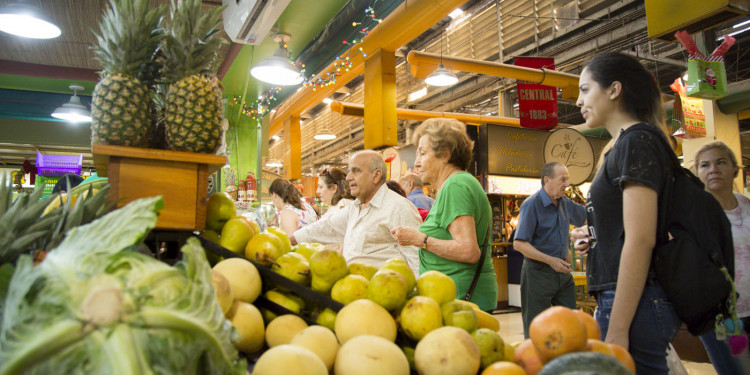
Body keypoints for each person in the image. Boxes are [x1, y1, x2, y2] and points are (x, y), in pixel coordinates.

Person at [569, 52, 682, 374]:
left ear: (614, 90)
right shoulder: (622, 145)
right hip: (627, 296)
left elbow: (641, 238)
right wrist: (597, 238)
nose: (578, 101)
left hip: (637, 299)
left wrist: (618, 329)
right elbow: (629, 228)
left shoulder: (637, 141)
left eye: (586, 89)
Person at [391, 118, 497, 312]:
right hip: (460, 298)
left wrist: (419, 239)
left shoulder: (455, 186)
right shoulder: (459, 183)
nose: (416, 162)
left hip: (461, 301)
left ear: (446, 154)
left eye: (423, 153)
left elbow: (469, 251)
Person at [290, 150, 422, 276]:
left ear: (376, 175)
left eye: (356, 171)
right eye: (349, 171)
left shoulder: (398, 207)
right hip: (353, 290)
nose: (348, 177)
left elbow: (416, 258)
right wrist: (291, 240)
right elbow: (327, 227)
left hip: (384, 292)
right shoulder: (355, 207)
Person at [692, 141, 749, 374]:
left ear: (735, 169)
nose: (713, 169)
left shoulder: (746, 204)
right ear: (697, 173)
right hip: (719, 317)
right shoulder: (693, 214)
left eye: (721, 162)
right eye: (705, 165)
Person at [513, 162, 586, 338]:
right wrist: (550, 260)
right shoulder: (532, 205)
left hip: (563, 273)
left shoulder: (565, 203)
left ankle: (566, 361)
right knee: (536, 329)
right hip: (537, 274)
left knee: (570, 325)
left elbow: (587, 216)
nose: (567, 184)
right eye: (563, 179)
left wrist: (578, 233)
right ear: (547, 180)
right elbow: (519, 244)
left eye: (567, 180)